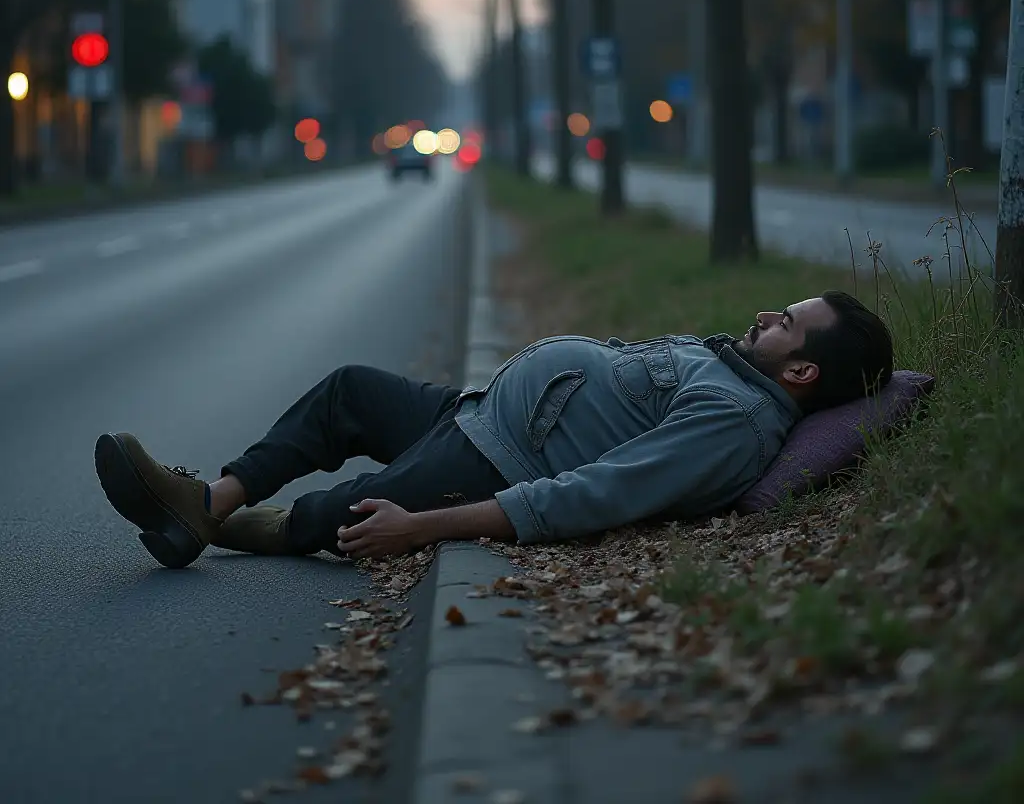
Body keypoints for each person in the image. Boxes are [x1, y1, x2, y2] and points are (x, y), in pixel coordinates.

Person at [95, 290, 893, 569]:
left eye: (785, 323)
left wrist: (426, 528)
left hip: (493, 464)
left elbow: (598, 494)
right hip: (473, 415)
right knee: (349, 394)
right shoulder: (737, 376)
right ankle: (211, 500)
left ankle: (201, 516)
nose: (765, 317)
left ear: (802, 375)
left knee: (353, 512)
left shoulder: (736, 421)